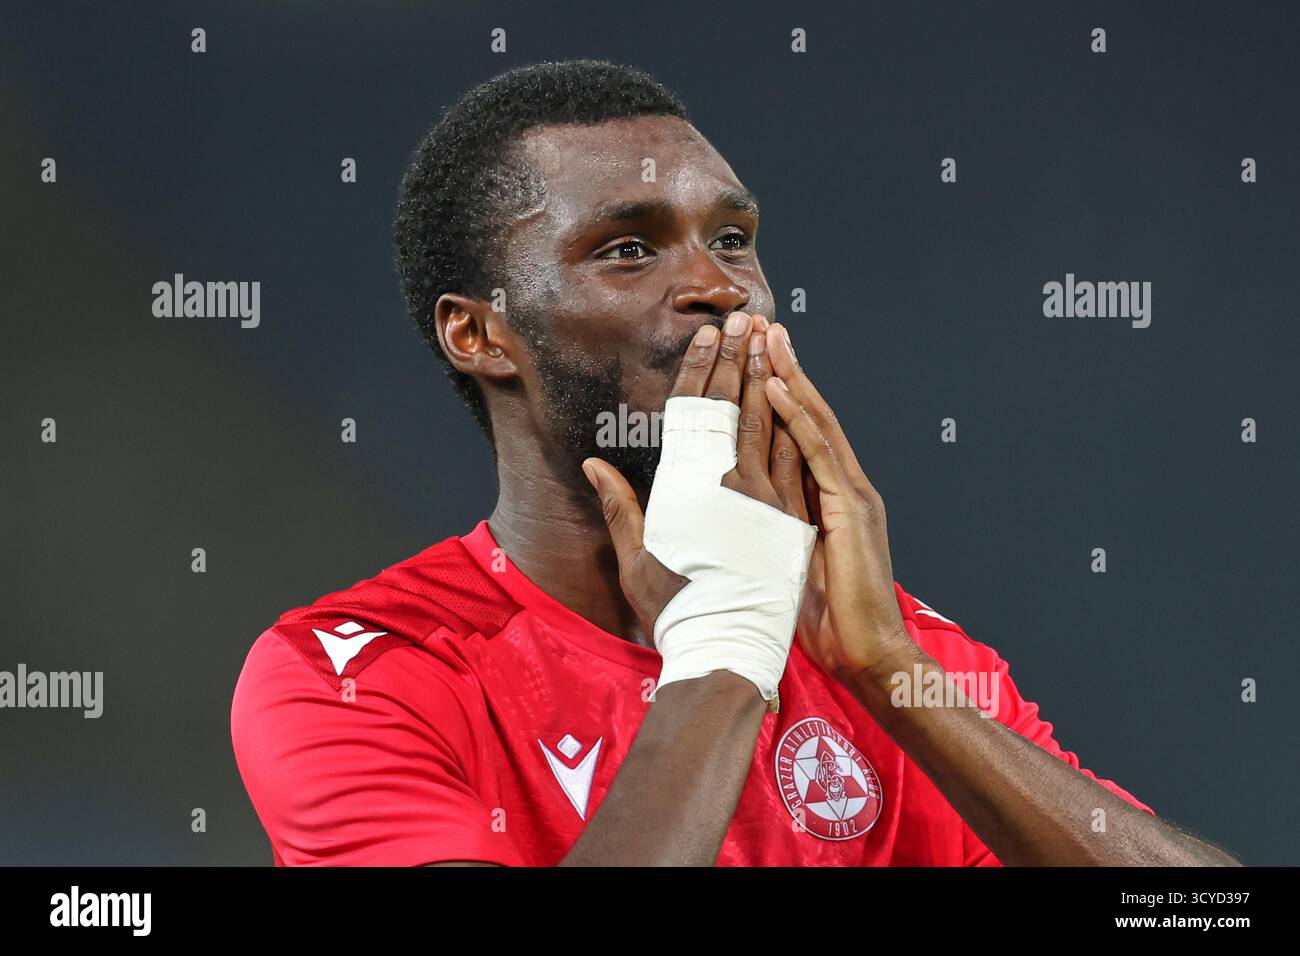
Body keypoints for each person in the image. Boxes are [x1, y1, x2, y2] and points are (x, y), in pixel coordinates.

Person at [230, 59, 1238, 867]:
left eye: (733, 238)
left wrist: (888, 673)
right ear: (478, 334)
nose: (718, 286)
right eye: (628, 249)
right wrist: (725, 653)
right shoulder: (360, 671)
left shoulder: (885, 649)